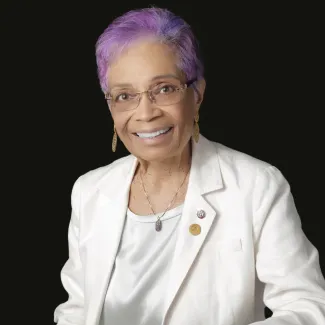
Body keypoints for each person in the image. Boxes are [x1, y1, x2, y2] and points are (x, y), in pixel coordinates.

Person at [53, 6, 325, 325]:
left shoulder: (257, 186)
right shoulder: (89, 191)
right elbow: (76, 311)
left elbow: (308, 307)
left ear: (196, 94)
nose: (145, 113)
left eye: (164, 89)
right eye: (124, 96)